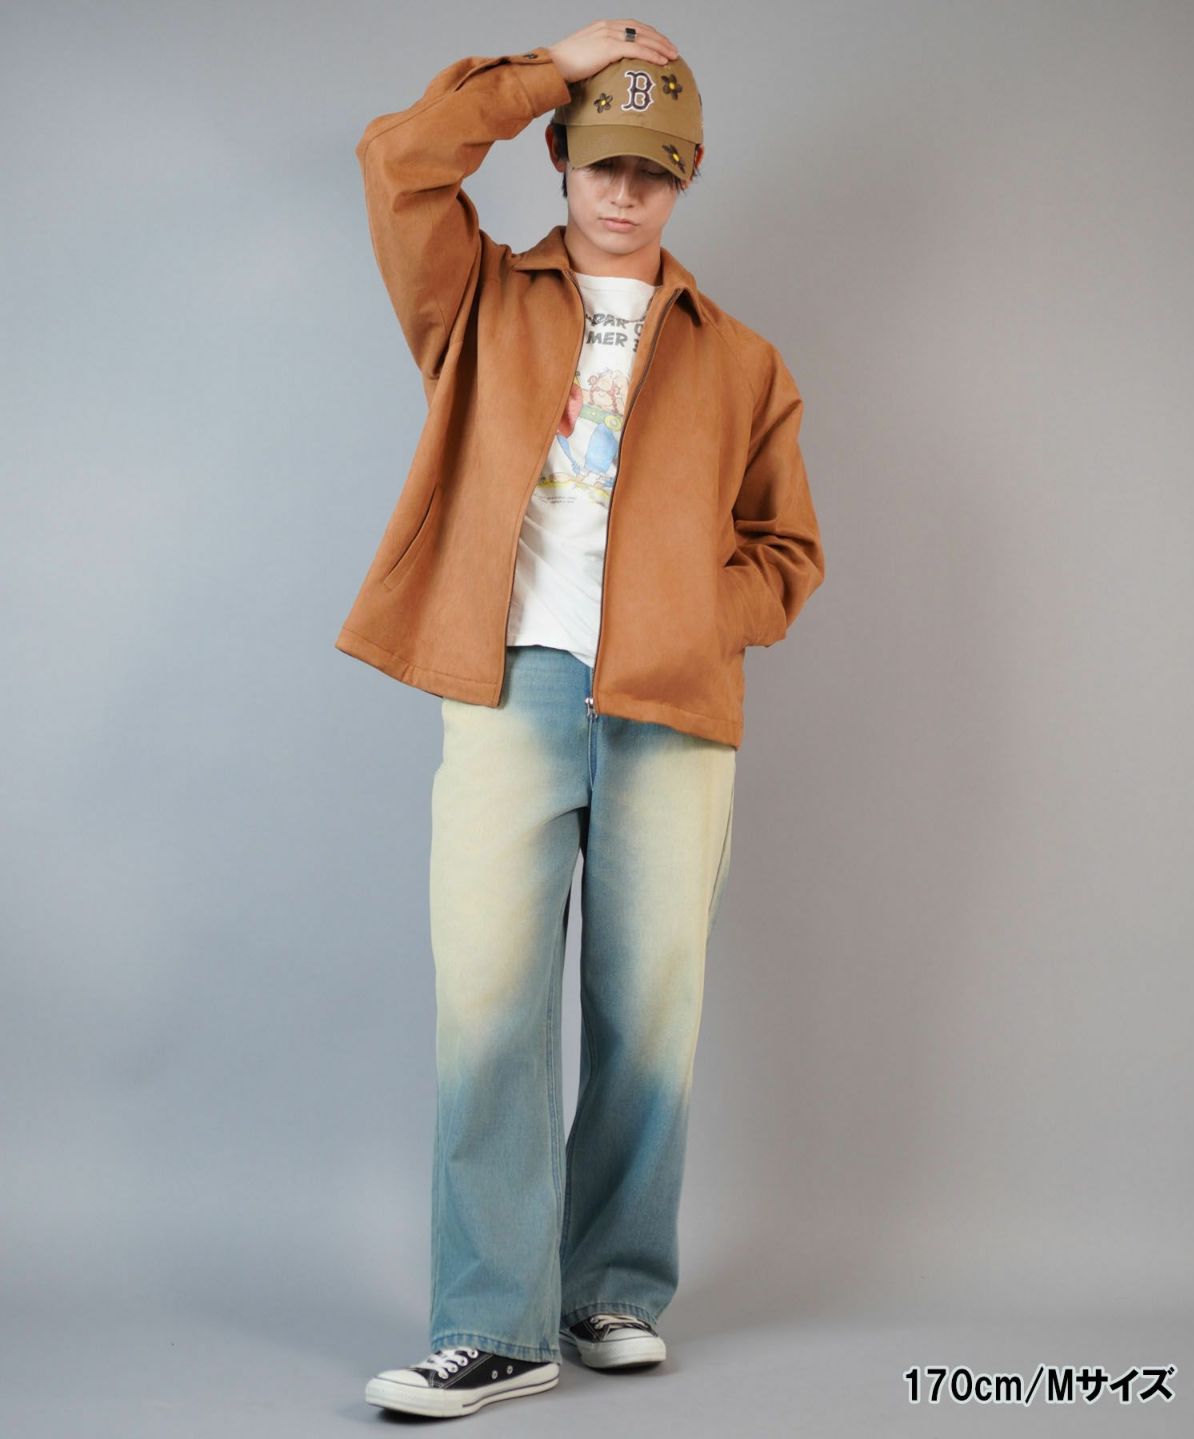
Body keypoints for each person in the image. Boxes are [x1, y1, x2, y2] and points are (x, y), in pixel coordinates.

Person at [344, 18, 825, 1420]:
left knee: (648, 1013)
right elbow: (397, 164)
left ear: (687, 179)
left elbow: (787, 551)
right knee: (491, 1008)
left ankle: (613, 1286)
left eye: (655, 169)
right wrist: (545, 69)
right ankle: (493, 1326)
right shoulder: (477, 300)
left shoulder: (744, 361)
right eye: (604, 159)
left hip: (674, 707)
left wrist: (698, 616)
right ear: (559, 156)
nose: (626, 191)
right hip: (510, 691)